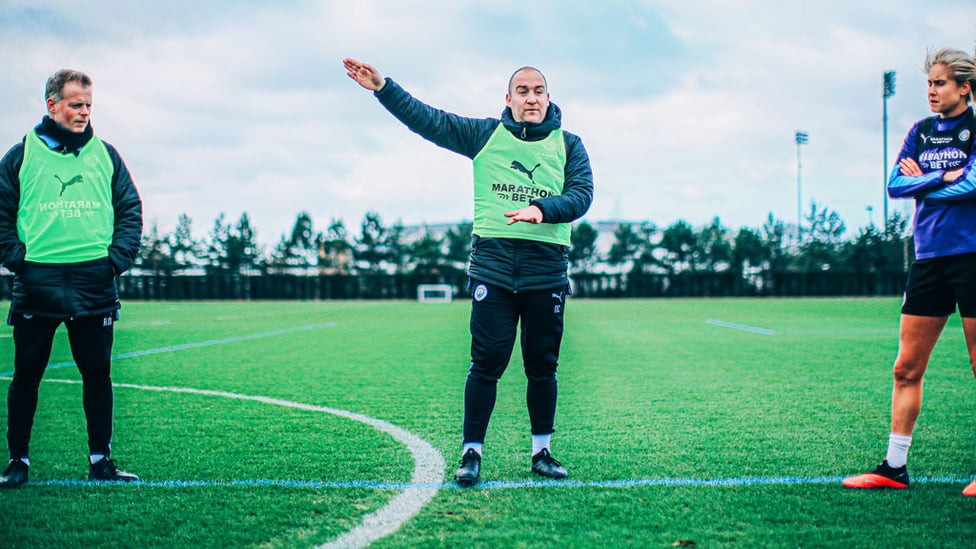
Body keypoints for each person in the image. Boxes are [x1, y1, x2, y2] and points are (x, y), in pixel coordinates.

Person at [344, 58, 593, 486]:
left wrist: (541, 209)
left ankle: (542, 452)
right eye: (522, 91)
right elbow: (430, 120)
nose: (530, 98)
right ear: (509, 99)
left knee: (542, 366)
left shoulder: (570, 145)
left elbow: (582, 195)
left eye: (538, 91)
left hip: (546, 271)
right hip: (493, 271)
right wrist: (383, 88)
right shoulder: (484, 135)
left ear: (548, 98)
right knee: (486, 363)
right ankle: (471, 453)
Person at [0, 69, 143, 488]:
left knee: (97, 375)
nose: (84, 112)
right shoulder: (21, 155)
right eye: (76, 104)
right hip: (37, 282)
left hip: (93, 282)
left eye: (88, 105)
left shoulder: (106, 155)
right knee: (27, 375)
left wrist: (114, 261)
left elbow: (130, 211)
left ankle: (101, 461)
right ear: (52, 105)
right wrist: (18, 259)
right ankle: (17, 463)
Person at [843, 47, 976, 495]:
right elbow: (894, 185)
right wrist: (941, 179)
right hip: (929, 261)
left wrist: (926, 185)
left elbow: (975, 183)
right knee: (905, 368)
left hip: (974, 258)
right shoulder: (920, 131)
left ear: (965, 88)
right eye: (929, 84)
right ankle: (894, 468)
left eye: (940, 83)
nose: (932, 91)